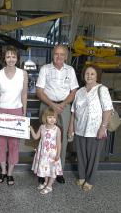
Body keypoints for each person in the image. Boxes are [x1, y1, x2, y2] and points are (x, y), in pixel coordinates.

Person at [36, 44, 79, 184]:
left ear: (66, 56)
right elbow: (39, 92)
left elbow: (73, 92)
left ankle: (58, 171)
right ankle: (42, 171)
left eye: (62, 54)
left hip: (64, 106)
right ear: (52, 55)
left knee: (63, 139)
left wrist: (63, 104)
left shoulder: (70, 70)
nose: (59, 56)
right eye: (56, 54)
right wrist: (53, 105)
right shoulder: (45, 69)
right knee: (44, 138)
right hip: (48, 106)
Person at [68, 65, 113, 191]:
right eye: (87, 73)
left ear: (97, 75)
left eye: (92, 74)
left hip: (96, 129)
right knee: (81, 155)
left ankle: (90, 180)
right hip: (80, 128)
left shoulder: (102, 89)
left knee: (93, 156)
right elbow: (74, 111)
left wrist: (103, 127)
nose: (89, 76)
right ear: (83, 75)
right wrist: (71, 127)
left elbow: (108, 109)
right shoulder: (80, 91)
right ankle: (82, 176)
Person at [0, 46, 28, 186]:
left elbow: (24, 94)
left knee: (14, 144)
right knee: (0, 143)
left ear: (17, 58)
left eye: (13, 56)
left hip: (16, 110)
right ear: (4, 58)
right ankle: (3, 170)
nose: (11, 59)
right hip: (0, 111)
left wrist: (24, 112)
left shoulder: (23, 74)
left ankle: (10, 173)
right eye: (8, 56)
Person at [31, 108, 63, 194]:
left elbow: (59, 143)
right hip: (43, 154)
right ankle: (45, 182)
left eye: (54, 117)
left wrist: (58, 154)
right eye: (50, 117)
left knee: (52, 170)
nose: (52, 119)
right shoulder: (42, 127)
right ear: (45, 117)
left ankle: (49, 186)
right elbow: (36, 137)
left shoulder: (57, 129)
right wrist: (30, 128)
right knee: (45, 169)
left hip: (52, 154)